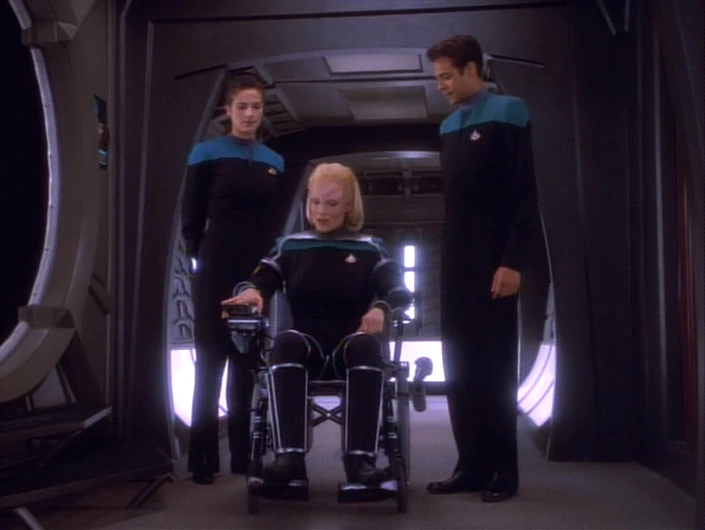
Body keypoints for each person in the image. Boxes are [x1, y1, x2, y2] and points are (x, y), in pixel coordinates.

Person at [221, 162, 412, 486]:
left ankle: (360, 464)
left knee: (365, 345)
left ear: (349, 206)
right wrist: (253, 292)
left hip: (350, 346)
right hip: (305, 346)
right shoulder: (290, 246)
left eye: (331, 203)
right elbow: (261, 282)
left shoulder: (370, 247)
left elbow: (399, 292)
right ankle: (289, 461)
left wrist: (381, 308)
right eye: (315, 202)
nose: (321, 211)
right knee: (286, 342)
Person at [425, 35, 541, 502]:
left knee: (495, 366)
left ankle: (503, 472)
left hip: (497, 260)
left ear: (473, 69)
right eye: (437, 78)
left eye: (447, 76)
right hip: (456, 260)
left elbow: (525, 194)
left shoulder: (511, 111)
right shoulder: (448, 125)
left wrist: (513, 261)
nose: (441, 85)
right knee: (460, 365)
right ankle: (470, 466)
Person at [181, 76, 286, 485]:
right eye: (242, 106)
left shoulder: (274, 160)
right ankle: (202, 460)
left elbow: (272, 222)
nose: (249, 114)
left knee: (246, 364)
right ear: (228, 110)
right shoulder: (206, 153)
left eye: (256, 107)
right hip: (215, 267)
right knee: (211, 362)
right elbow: (191, 218)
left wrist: (265, 273)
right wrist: (203, 260)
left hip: (255, 272)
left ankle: (244, 455)